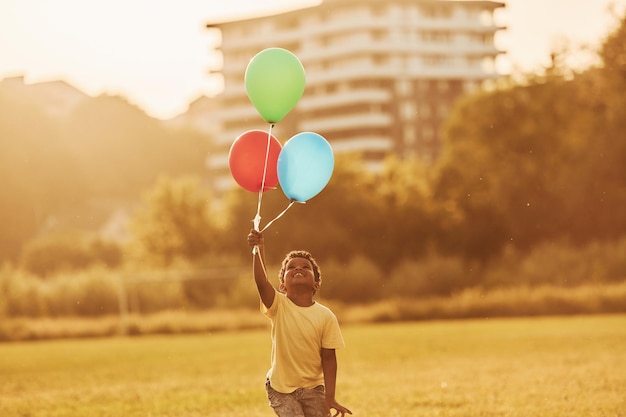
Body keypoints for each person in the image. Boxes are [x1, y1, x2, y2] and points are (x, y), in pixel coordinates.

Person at [247, 229, 352, 417]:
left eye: (305, 267)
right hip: (281, 388)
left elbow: (329, 358)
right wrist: (259, 248)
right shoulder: (278, 305)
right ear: (282, 286)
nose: (298, 268)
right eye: (291, 267)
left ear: (316, 284)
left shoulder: (326, 316)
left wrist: (330, 397)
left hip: (314, 389)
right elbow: (262, 283)